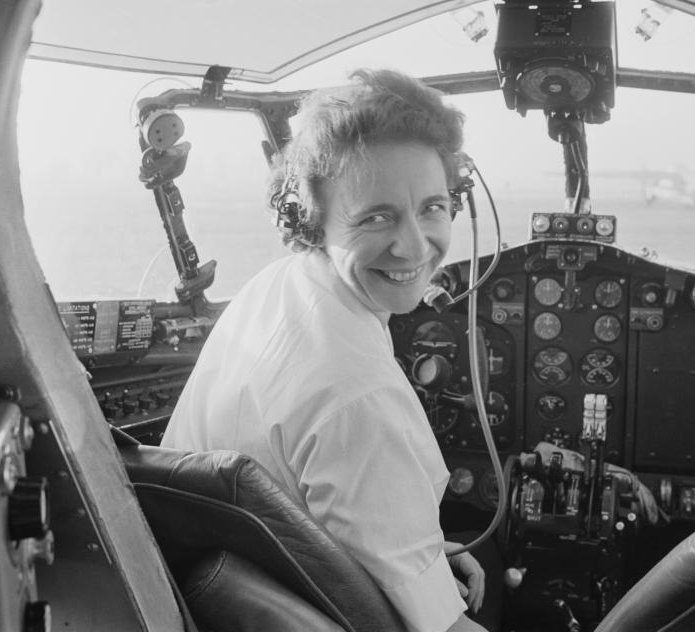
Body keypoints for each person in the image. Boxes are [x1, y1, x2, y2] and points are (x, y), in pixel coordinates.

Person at [161, 68, 488, 632]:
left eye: (432, 207)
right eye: (376, 216)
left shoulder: (276, 286)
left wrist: (422, 561)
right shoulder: (357, 396)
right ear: (313, 221)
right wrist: (426, 587)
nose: (414, 245)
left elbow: (324, 504)